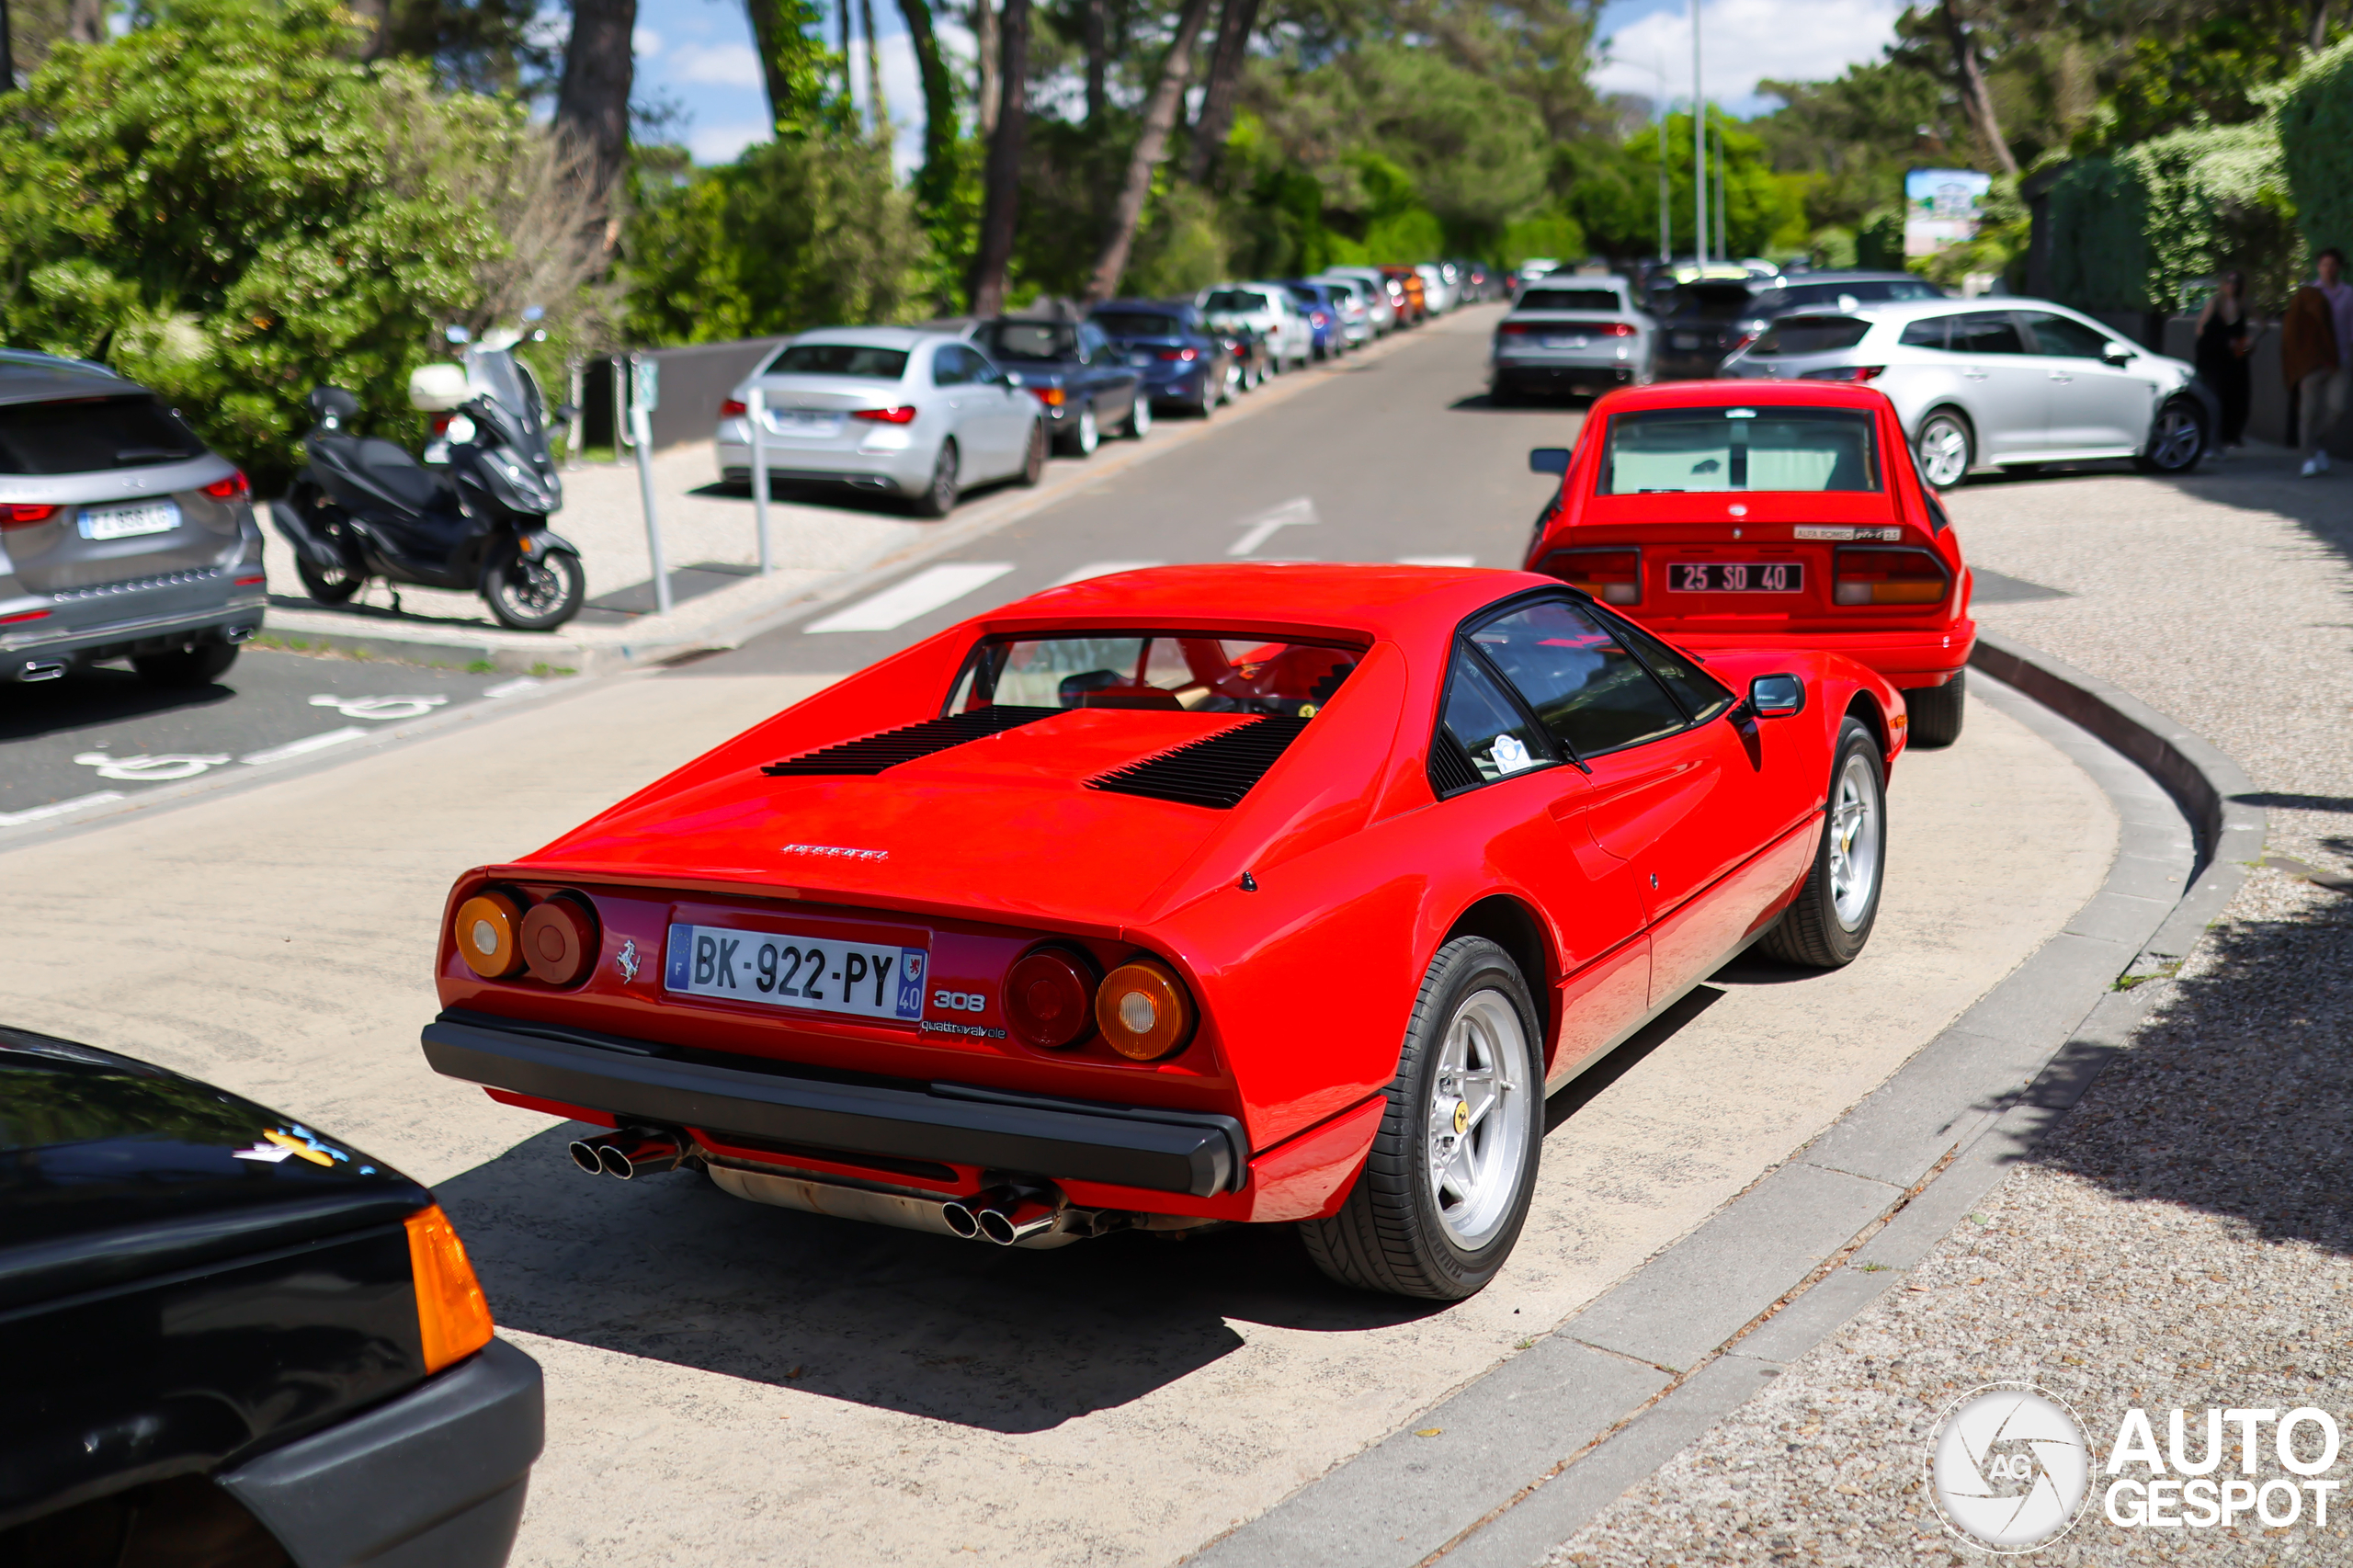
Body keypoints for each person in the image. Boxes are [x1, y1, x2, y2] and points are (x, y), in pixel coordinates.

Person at [2281, 248, 2350, 476]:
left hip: (2340, 360)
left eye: (2332, 264)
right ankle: (2307, 457)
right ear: (2318, 267)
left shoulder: (2348, 294)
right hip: (2311, 362)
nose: (2328, 269)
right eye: (2324, 264)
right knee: (2308, 412)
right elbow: (2294, 329)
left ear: (2339, 267)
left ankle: (2317, 442)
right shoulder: (2307, 295)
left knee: (2337, 409)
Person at [2193, 270, 2256, 452]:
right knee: (2214, 398)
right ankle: (2212, 442)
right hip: (2213, 358)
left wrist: (2249, 342)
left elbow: (2263, 325)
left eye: (2236, 282)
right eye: (2228, 282)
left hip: (2235, 360)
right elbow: (2201, 329)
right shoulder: (2215, 303)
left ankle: (2226, 439)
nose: (2232, 286)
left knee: (2235, 399)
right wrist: (2221, 340)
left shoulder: (2244, 304)